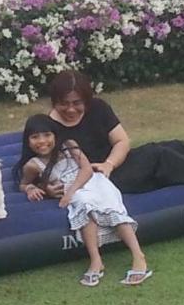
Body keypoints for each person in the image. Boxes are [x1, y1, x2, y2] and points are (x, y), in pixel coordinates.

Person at [44, 71, 184, 208]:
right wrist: (46, 188)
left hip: (112, 167)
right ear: (55, 102)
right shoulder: (47, 128)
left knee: (178, 146)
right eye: (64, 103)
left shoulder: (98, 108)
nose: (71, 109)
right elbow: (35, 164)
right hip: (95, 182)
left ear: (86, 100)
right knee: (157, 155)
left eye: (77, 103)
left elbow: (121, 141)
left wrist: (109, 164)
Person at [14, 114, 151, 286]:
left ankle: (138, 256)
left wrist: (70, 192)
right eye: (35, 137)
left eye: (47, 135)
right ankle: (96, 260)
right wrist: (31, 188)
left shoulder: (69, 146)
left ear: (55, 135)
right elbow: (24, 184)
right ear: (27, 141)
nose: (42, 141)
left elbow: (86, 170)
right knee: (83, 206)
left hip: (92, 182)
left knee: (110, 207)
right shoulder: (33, 164)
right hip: (76, 194)